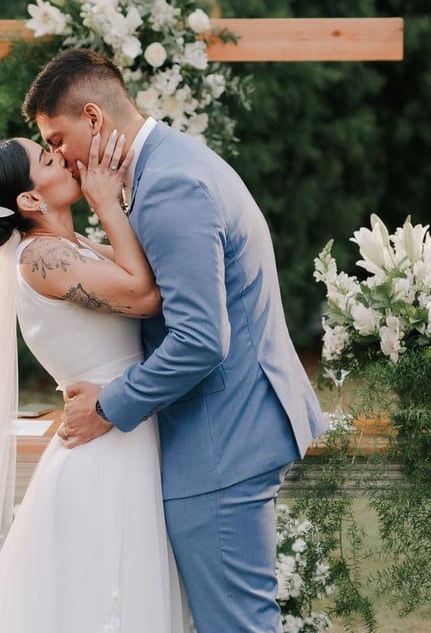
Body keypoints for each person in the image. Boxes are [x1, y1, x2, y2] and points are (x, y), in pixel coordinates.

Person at [21, 48, 329, 633]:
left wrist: (107, 406)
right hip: (230, 426)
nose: (60, 158)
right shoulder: (170, 162)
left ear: (93, 118)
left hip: (222, 439)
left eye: (57, 140)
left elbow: (200, 339)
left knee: (236, 625)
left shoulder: (169, 185)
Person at [0, 132, 187, 633]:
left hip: (120, 429)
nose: (63, 159)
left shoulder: (69, 247)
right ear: (31, 199)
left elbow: (141, 270)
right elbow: (144, 296)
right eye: (47, 159)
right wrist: (105, 203)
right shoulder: (40, 258)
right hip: (104, 447)